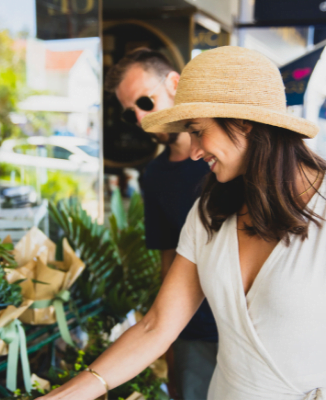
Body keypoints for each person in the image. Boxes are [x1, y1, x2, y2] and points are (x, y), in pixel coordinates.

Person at [41, 46, 326, 400]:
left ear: (243, 123)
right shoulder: (208, 214)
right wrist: (70, 393)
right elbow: (157, 326)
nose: (196, 149)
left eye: (198, 130)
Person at [104, 48, 218, 399]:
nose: (139, 117)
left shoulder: (224, 160)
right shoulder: (154, 176)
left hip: (251, 325)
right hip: (192, 331)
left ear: (174, 83)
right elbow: (167, 259)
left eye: (145, 101)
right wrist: (166, 341)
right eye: (130, 113)